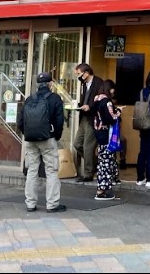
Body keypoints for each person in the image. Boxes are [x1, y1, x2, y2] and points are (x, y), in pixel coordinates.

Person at [17, 72, 66, 213]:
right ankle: (52, 204)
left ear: (38, 84)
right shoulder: (55, 99)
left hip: (30, 140)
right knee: (51, 171)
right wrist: (56, 136)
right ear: (50, 84)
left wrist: (28, 133)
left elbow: (20, 121)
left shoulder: (29, 99)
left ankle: (30, 204)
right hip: (48, 139)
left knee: (32, 170)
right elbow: (59, 121)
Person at [73, 63, 104, 183]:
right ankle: (95, 163)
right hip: (84, 117)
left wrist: (90, 107)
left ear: (86, 73)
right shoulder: (84, 84)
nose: (78, 77)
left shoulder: (98, 83)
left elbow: (101, 101)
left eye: (79, 74)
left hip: (94, 118)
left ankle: (88, 173)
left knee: (88, 147)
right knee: (77, 144)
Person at [93, 81, 121, 200]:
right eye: (112, 89)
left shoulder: (97, 100)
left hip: (99, 133)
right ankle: (101, 190)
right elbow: (110, 118)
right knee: (106, 162)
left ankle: (104, 186)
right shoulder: (107, 102)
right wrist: (118, 112)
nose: (113, 91)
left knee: (102, 161)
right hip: (106, 135)